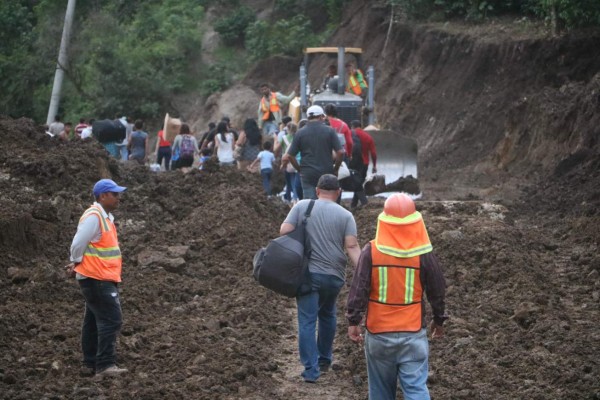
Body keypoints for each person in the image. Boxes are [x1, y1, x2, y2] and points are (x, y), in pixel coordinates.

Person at [346, 193, 447, 400]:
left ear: (383, 220)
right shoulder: (423, 253)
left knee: (381, 393)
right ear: (415, 221)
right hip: (412, 334)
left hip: (379, 334)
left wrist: (353, 320)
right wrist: (439, 320)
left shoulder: (371, 251)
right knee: (416, 390)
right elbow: (437, 290)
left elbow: (359, 288)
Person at [280, 174, 361, 382]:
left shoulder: (302, 206)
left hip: (309, 274)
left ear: (317, 191)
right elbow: (351, 246)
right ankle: (325, 359)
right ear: (338, 192)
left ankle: (311, 370)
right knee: (327, 315)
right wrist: (364, 271)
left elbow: (285, 230)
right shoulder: (346, 216)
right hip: (334, 276)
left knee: (307, 320)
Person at [66, 179, 128, 377]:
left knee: (93, 320)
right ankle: (105, 365)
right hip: (97, 278)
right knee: (112, 319)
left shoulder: (105, 217)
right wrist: (76, 262)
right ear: (103, 196)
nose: (119, 197)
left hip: (99, 277)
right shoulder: (94, 217)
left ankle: (90, 363)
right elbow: (78, 243)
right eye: (115, 194)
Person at [283, 105, 344, 200]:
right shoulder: (329, 131)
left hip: (308, 173)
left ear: (308, 117)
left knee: (310, 202)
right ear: (320, 117)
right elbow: (340, 152)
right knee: (327, 200)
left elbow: (290, 155)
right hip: (326, 172)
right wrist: (335, 169)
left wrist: (299, 169)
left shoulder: (300, 133)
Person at [349, 120, 377, 210]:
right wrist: (374, 165)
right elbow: (373, 153)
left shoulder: (349, 134)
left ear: (352, 126)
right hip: (364, 163)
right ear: (361, 126)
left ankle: (356, 203)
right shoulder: (368, 137)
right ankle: (359, 202)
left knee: (356, 182)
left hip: (352, 162)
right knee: (359, 182)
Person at [275, 122, 300, 204]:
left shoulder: (284, 138)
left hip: (288, 162)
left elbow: (276, 149)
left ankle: (292, 198)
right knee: (296, 180)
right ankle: (292, 197)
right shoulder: (298, 137)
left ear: (288, 129)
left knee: (289, 180)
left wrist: (275, 139)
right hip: (299, 161)